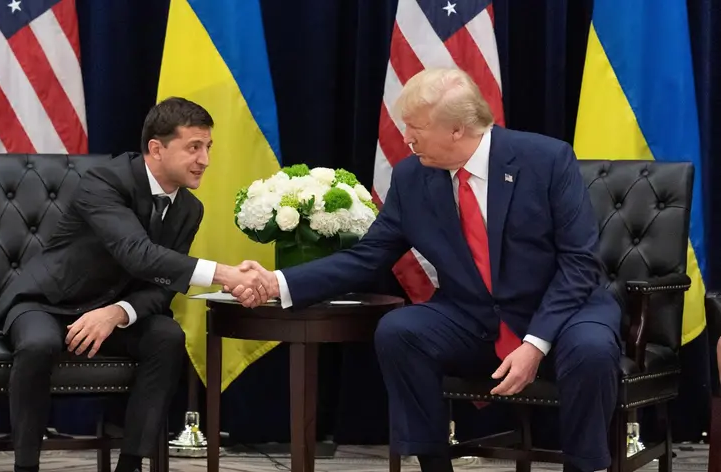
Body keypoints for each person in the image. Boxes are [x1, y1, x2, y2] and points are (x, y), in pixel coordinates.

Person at [231, 69, 622, 472]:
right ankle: (433, 463)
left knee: (592, 350)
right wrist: (277, 282)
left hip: (564, 312)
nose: (406, 139)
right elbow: (367, 257)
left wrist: (535, 343)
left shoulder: (546, 160)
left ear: (457, 130)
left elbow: (579, 264)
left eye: (415, 128)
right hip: (473, 315)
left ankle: (585, 466)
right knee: (401, 332)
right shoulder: (411, 177)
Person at [0, 97, 270, 472]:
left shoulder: (189, 209)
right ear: (157, 148)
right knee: (39, 344)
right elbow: (137, 253)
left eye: (208, 147)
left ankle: (131, 463)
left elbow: (163, 284)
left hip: (111, 308)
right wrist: (227, 274)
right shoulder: (104, 181)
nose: (205, 160)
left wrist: (120, 312)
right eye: (194, 147)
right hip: (48, 302)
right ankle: (26, 466)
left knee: (167, 337)